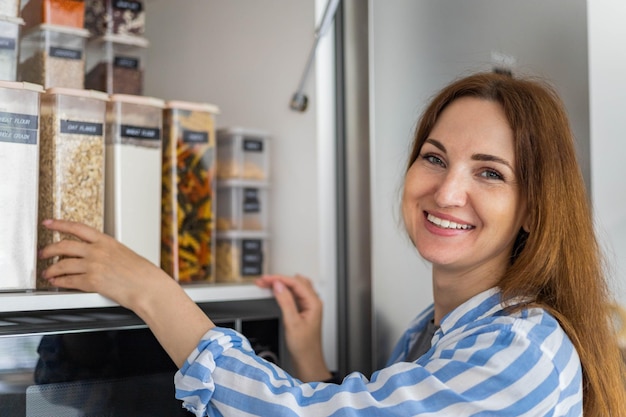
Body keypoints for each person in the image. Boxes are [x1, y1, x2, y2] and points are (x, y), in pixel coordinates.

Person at [39, 72, 626, 416]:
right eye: (434, 158)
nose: (448, 192)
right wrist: (312, 362)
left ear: (534, 209)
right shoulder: (435, 328)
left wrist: (149, 288)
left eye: (490, 173)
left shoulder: (518, 350)